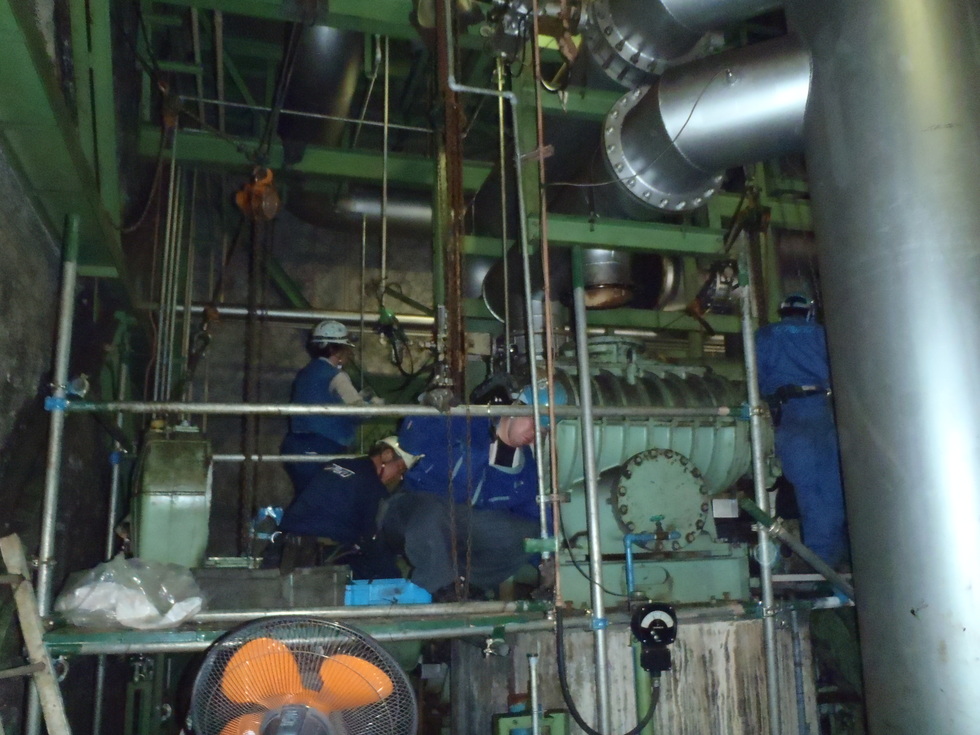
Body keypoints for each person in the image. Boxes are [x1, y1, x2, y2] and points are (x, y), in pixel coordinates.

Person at [381, 381, 566, 601]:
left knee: (528, 532)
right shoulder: (466, 422)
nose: (535, 433)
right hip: (410, 515)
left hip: (463, 532)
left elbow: (539, 521)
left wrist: (548, 559)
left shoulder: (526, 471)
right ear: (516, 407)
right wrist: (430, 409)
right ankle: (441, 588)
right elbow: (411, 441)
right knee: (432, 511)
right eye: (534, 421)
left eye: (544, 429)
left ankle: (470, 585)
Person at [756, 294, 848, 568]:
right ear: (807, 312)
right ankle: (830, 567)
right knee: (833, 493)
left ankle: (821, 566)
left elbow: (756, 377)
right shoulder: (822, 334)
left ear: (782, 312)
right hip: (821, 413)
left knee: (808, 493)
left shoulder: (766, 335)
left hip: (789, 416)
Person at [275, 437, 420, 579]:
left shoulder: (337, 464)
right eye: (400, 469)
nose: (398, 477)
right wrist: (393, 576)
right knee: (381, 570)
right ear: (387, 455)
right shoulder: (373, 488)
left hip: (285, 545)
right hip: (322, 553)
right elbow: (373, 540)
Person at [281, 320, 382, 494]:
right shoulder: (337, 376)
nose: (349, 353)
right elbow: (358, 412)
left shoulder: (305, 373)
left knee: (306, 497)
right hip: (323, 448)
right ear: (337, 350)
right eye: (346, 348)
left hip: (295, 447)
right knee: (326, 499)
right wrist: (376, 405)